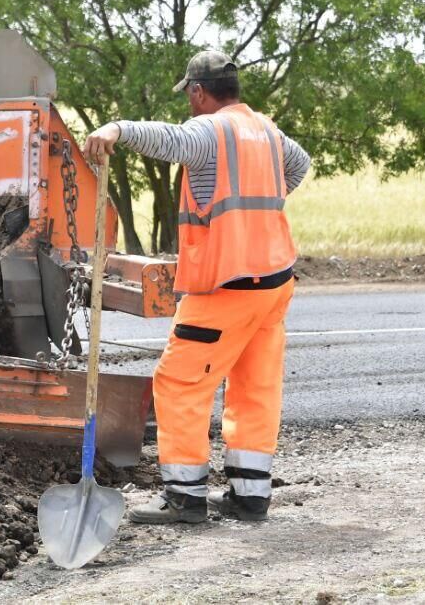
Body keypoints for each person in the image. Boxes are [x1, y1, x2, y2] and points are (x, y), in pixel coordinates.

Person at [83, 50, 311, 523]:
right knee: (254, 386)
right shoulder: (265, 129)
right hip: (273, 283)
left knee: (179, 382)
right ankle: (250, 497)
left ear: (198, 91)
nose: (189, 102)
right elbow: (300, 164)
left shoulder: (211, 131)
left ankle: (185, 497)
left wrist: (116, 130)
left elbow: (171, 140)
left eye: (189, 93)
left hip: (227, 285)